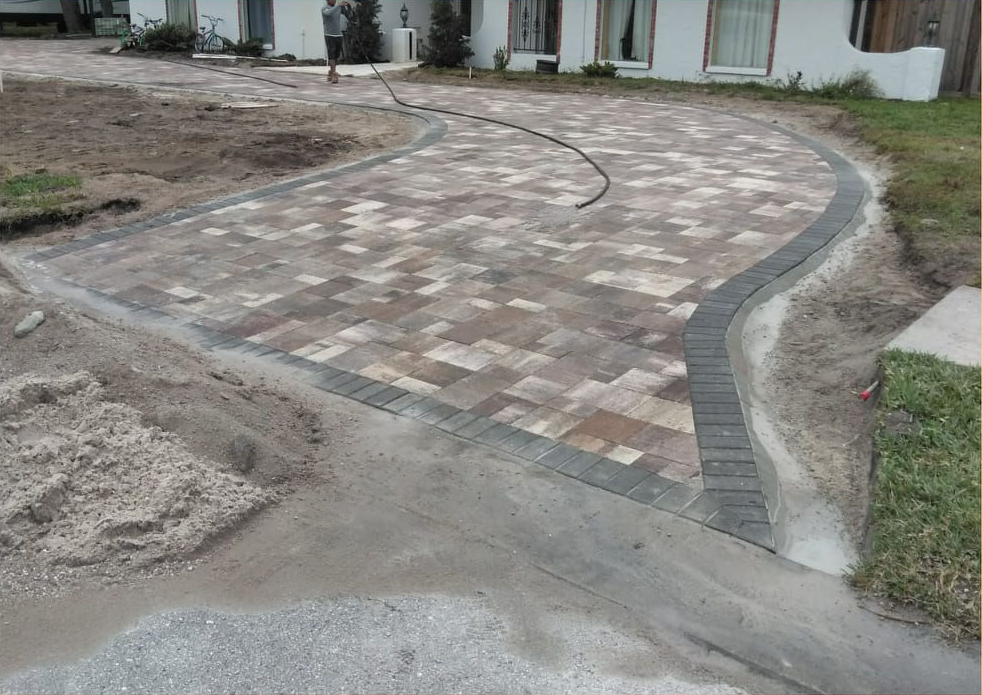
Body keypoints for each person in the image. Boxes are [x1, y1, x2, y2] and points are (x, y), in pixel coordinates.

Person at [322, 0, 352, 84]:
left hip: (339, 35)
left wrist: (348, 7)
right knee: (331, 55)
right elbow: (328, 13)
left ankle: (331, 72)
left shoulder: (338, 8)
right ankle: (334, 74)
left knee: (336, 56)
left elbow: (348, 16)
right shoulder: (324, 8)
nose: (334, 0)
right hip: (329, 35)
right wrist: (338, 5)